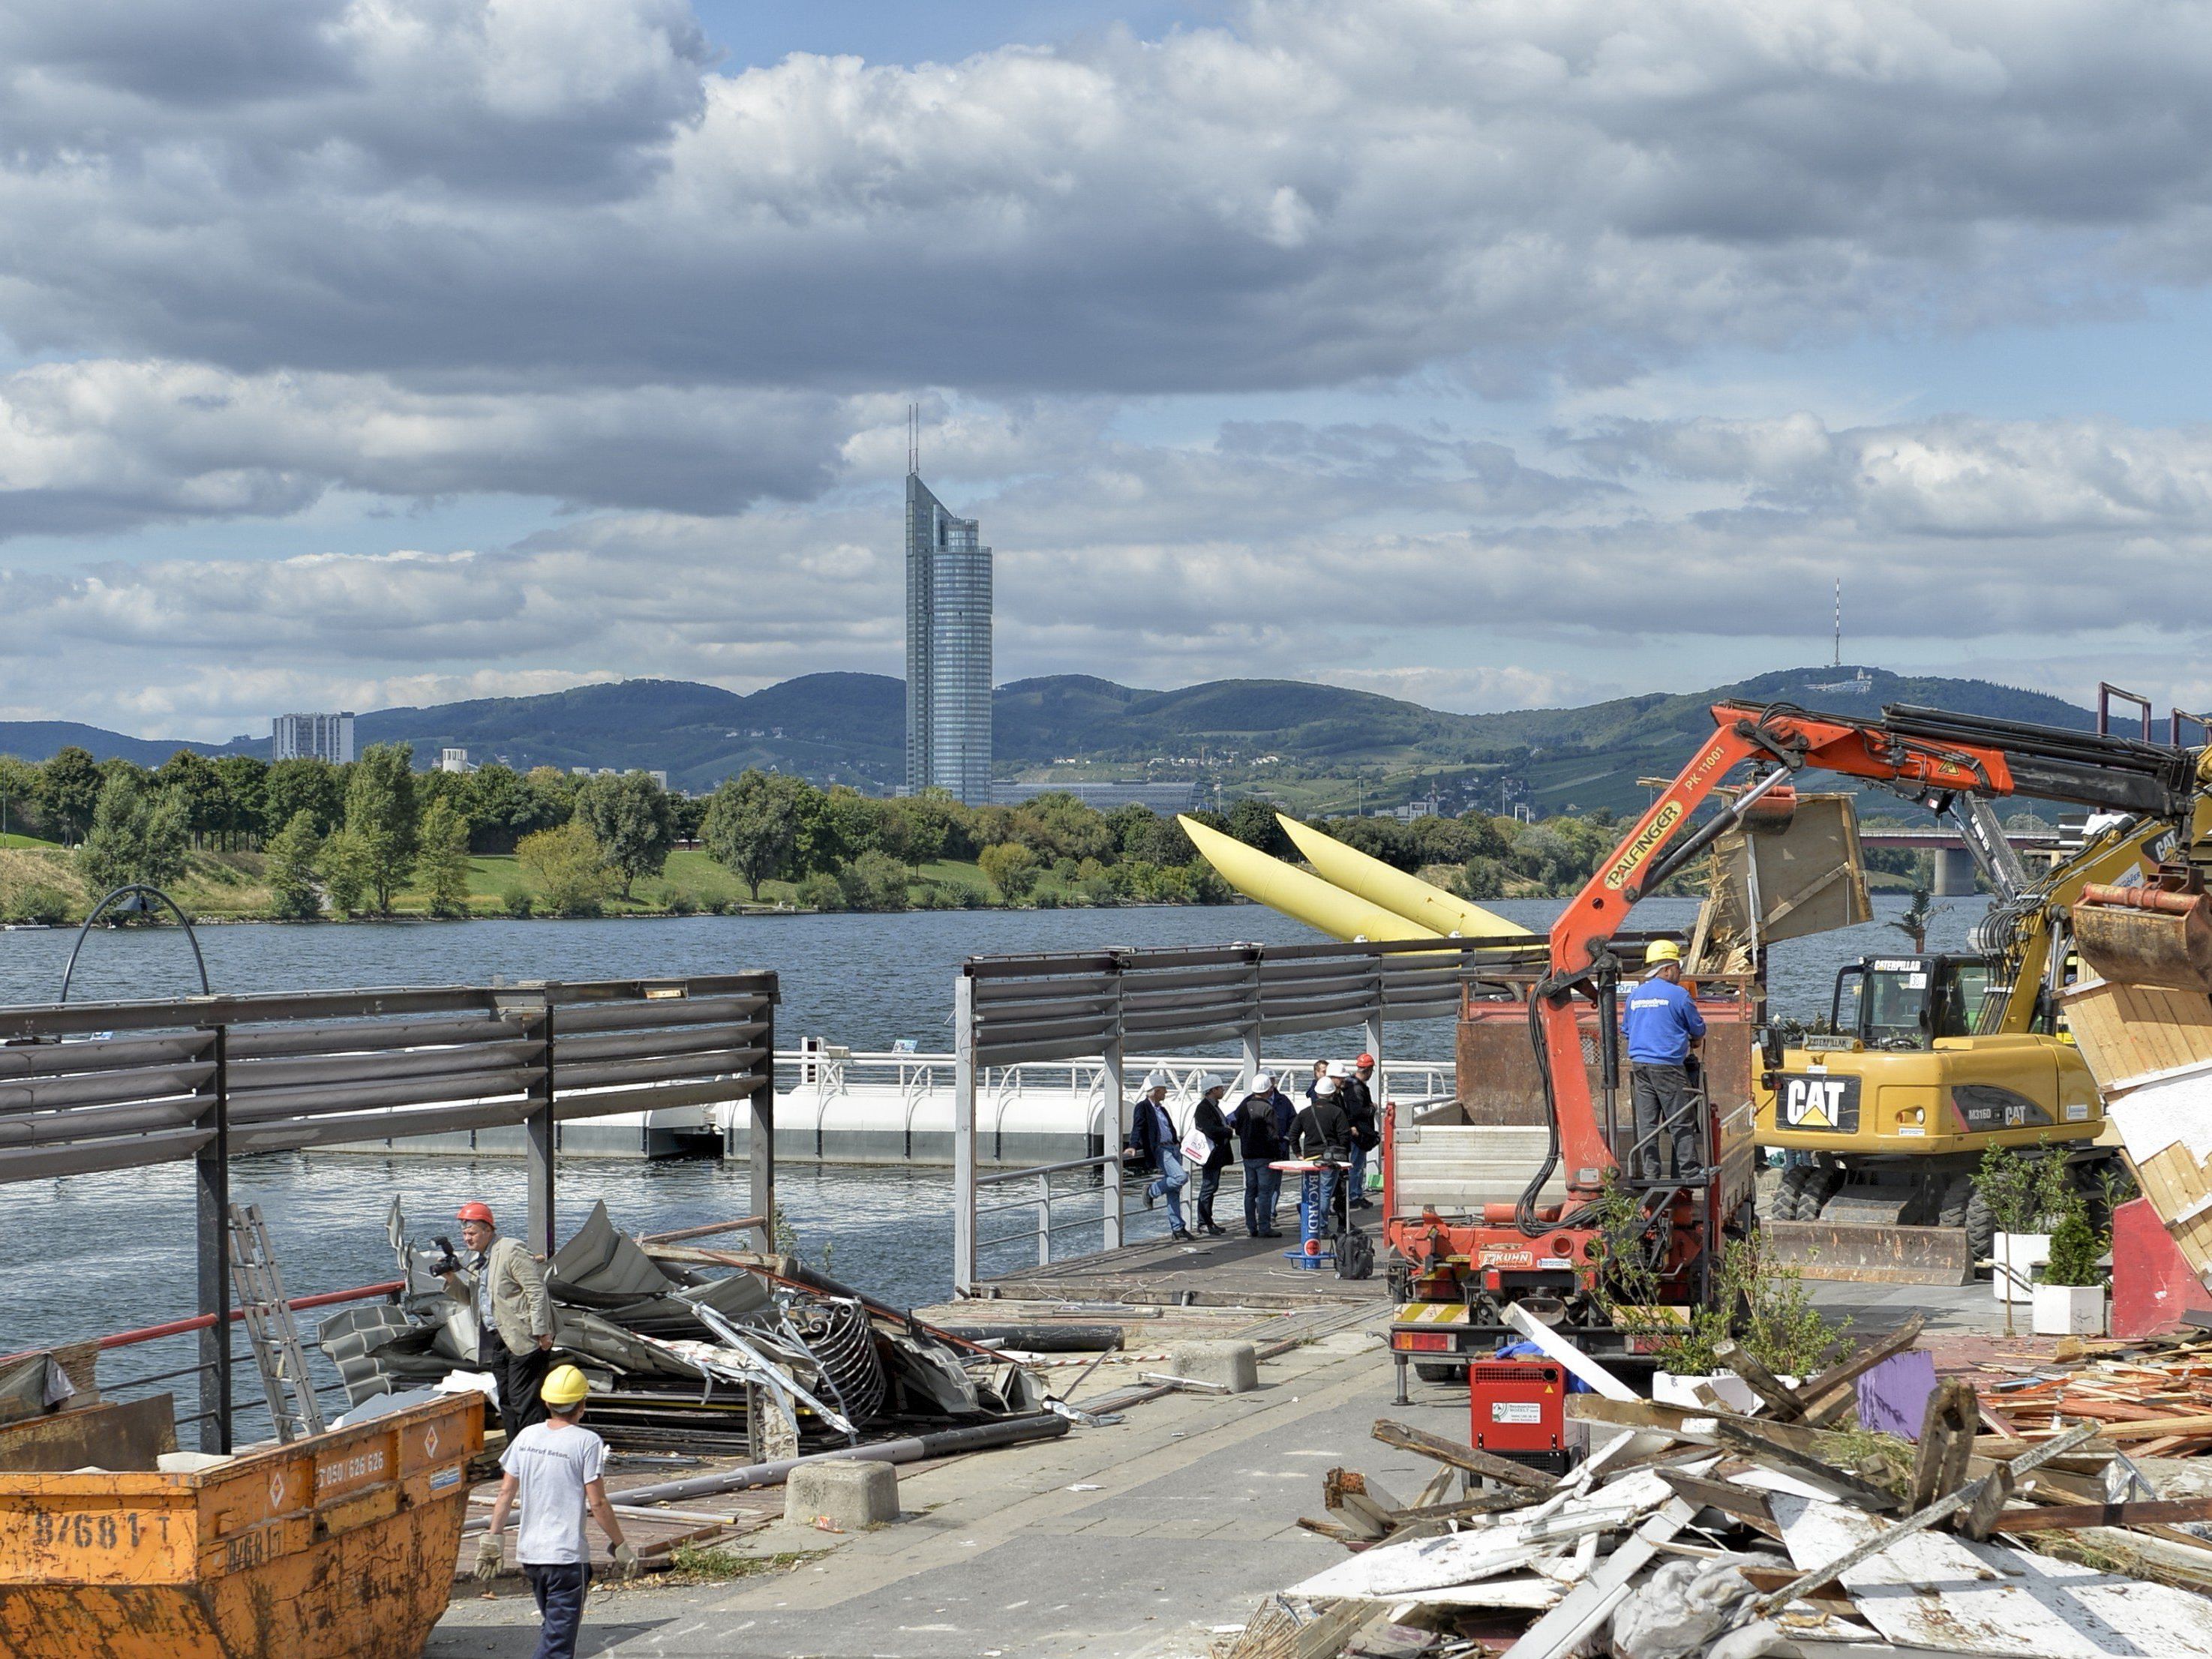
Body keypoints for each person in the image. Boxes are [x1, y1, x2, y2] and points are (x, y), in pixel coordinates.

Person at [475, 1364, 638, 1659]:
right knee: (557, 1647)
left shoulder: (527, 1437)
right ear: (583, 1405)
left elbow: (505, 1492)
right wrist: (620, 1544)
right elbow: (598, 1504)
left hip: (531, 1556)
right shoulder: (587, 1442)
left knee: (552, 1629)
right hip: (566, 1558)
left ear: (547, 1402)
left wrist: (493, 1539)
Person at [441, 1201, 555, 1440]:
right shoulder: (479, 1261)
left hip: (524, 1338)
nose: (466, 1239)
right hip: (498, 1341)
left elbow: (536, 1291)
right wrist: (451, 1278)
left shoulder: (511, 1250)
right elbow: (470, 1299)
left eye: (471, 1233)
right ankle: (515, 1460)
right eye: (464, 1234)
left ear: (488, 1230)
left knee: (524, 1402)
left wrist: (542, 1331)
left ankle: (532, 1458)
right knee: (507, 1402)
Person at [1621, 940, 1706, 1179]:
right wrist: (1693, 1040)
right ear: (1667, 969)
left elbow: (1627, 1029)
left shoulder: (1635, 995)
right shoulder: (1679, 995)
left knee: (1647, 1123)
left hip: (1639, 1066)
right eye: (1678, 967)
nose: (1679, 973)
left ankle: (1651, 1173)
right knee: (1680, 1118)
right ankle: (1689, 1170)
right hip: (1667, 1066)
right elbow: (1697, 1029)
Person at [1126, 1070, 1193, 1241]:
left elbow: (1168, 1127)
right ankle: (1152, 1190)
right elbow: (1138, 1127)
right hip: (1161, 1150)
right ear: (1155, 1091)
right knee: (1181, 1177)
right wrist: (1133, 1146)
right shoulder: (1143, 1107)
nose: (1166, 1092)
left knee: (1174, 1190)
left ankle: (1178, 1228)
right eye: (1163, 1089)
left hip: (1172, 1148)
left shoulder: (1161, 1108)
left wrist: (1177, 1142)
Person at [1291, 1074, 1355, 1245]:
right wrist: (1342, 1156)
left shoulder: (1305, 1113)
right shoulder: (1337, 1112)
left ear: (1317, 1093)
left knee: (1310, 1192)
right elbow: (1344, 1136)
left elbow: (1293, 1135)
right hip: (1330, 1159)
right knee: (1325, 1193)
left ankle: (1309, 1224)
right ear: (1333, 1093)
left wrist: (1298, 1154)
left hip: (1309, 1159)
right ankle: (1321, 1227)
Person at [1227, 1072, 1290, 1238]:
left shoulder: (1243, 1106)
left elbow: (1238, 1128)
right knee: (1264, 1192)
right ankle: (1264, 1227)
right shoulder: (1268, 1109)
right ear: (1268, 1090)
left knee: (1250, 1192)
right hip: (1265, 1155)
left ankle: (1250, 1226)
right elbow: (1273, 1134)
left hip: (1248, 1155)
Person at [1189, 1073, 1235, 1238]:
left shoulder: (1212, 1106)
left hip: (1215, 1154)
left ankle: (1207, 1221)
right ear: (1212, 1090)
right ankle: (1204, 1222)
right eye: (1220, 1088)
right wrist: (1227, 1131)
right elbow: (1209, 1129)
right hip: (1210, 1155)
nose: (1222, 1090)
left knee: (1211, 1187)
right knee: (1208, 1187)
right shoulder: (1204, 1108)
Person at [1341, 1054, 1380, 1209]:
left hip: (1356, 1130)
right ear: (1369, 1070)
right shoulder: (1357, 1088)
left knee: (1356, 1165)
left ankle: (1355, 1194)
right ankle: (1354, 1195)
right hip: (1358, 1132)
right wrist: (1372, 1108)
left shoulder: (1350, 1085)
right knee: (1356, 1166)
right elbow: (1357, 1111)